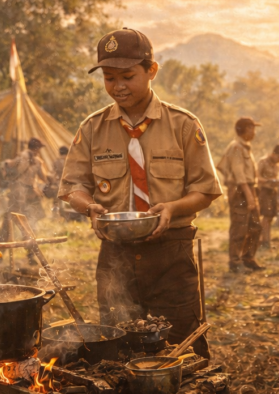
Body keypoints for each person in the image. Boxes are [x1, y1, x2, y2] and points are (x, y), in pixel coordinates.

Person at [58, 28, 221, 359]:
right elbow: (73, 187)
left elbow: (205, 190)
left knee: (180, 346)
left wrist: (172, 208)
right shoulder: (92, 128)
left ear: (151, 71)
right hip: (115, 256)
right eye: (109, 78)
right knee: (116, 346)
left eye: (128, 76)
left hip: (171, 255)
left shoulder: (183, 125)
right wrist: (89, 207)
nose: (118, 86)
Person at [219, 117, 264, 272]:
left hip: (249, 189)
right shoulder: (236, 147)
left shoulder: (246, 147)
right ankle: (235, 262)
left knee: (255, 226)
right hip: (241, 191)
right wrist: (249, 195)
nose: (254, 132)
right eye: (251, 128)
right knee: (239, 227)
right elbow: (239, 175)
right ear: (244, 130)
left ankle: (248, 258)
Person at [0, 137, 49, 238]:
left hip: (19, 190)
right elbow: (43, 177)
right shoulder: (37, 160)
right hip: (28, 191)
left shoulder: (23, 156)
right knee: (27, 215)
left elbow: (8, 165)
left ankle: (6, 237)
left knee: (12, 214)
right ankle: (27, 238)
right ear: (37, 148)